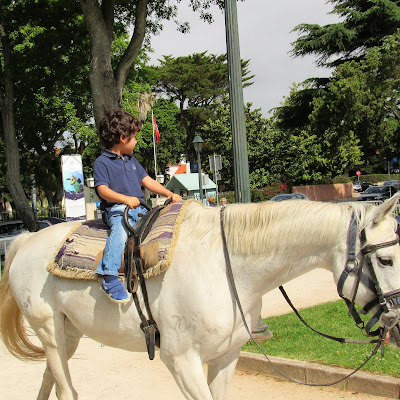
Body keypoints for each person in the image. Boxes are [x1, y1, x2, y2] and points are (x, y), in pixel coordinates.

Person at [93, 110, 181, 303]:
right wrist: (124, 199)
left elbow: (148, 181)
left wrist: (168, 194)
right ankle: (109, 275)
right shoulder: (102, 163)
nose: (136, 141)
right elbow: (102, 190)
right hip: (118, 210)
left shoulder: (132, 161)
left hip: (140, 209)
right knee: (120, 232)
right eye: (134, 137)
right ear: (123, 138)